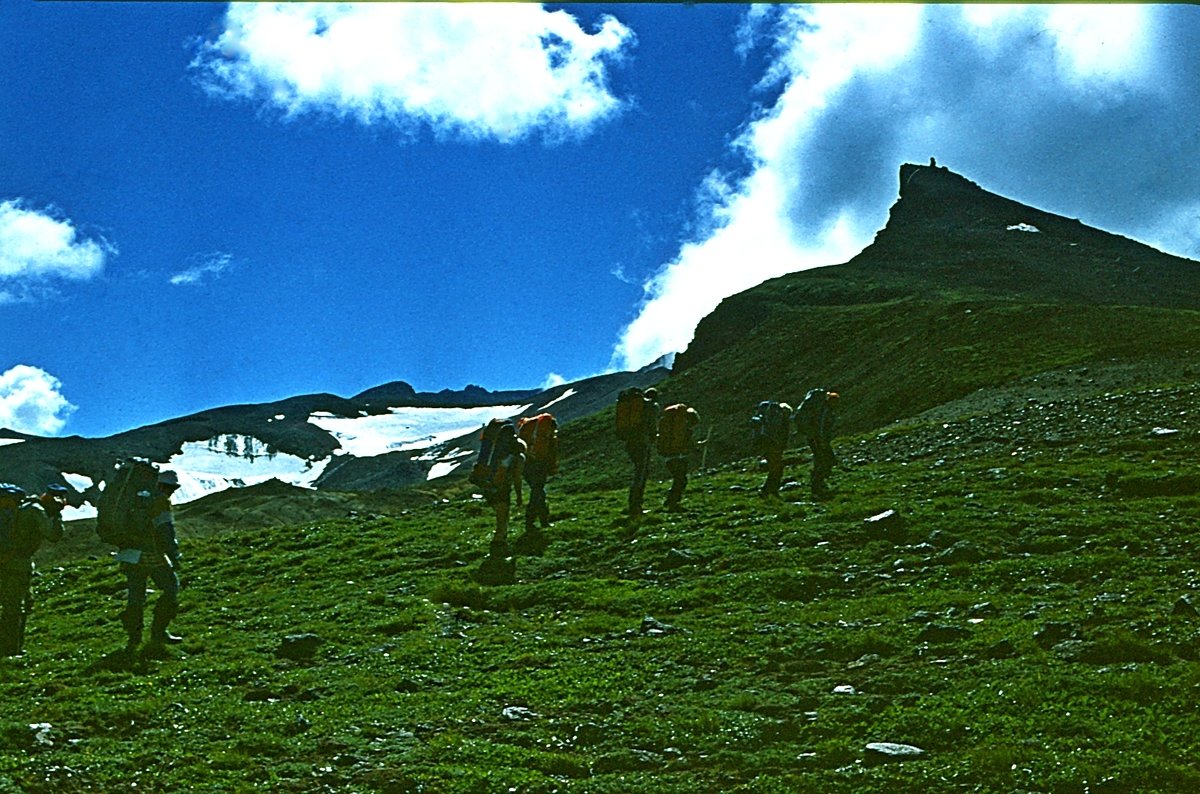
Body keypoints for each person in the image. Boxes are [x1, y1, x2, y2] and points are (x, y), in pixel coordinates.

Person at [118, 469, 183, 650]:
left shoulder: (134, 498)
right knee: (171, 588)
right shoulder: (160, 502)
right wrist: (174, 554)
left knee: (135, 596)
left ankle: (134, 637)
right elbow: (165, 531)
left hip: (129, 554)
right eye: (171, 488)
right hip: (150, 554)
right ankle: (159, 632)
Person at [0, 483, 64, 657]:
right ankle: (10, 649)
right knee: (16, 607)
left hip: (3, 561)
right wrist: (56, 514)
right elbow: (53, 535)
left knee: (10, 604)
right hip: (18, 564)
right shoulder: (34, 510)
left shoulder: (19, 510)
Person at [516, 413, 558, 555]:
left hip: (527, 464)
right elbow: (551, 451)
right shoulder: (548, 433)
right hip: (540, 463)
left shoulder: (529, 428)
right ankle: (534, 520)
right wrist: (552, 467)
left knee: (537, 490)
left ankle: (539, 520)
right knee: (538, 490)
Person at [615, 387, 660, 518]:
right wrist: (653, 436)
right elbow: (651, 425)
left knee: (639, 471)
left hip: (630, 442)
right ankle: (635, 507)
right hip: (642, 441)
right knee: (641, 474)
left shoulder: (629, 406)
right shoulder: (651, 406)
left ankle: (634, 505)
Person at [795, 389, 839, 498]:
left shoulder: (821, 409)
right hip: (818, 439)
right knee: (825, 461)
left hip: (813, 437)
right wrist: (823, 440)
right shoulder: (825, 410)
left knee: (820, 460)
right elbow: (821, 427)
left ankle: (818, 485)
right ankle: (817, 487)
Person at [657, 403, 700, 511]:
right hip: (679, 456)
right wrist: (699, 446)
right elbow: (688, 444)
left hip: (667, 454)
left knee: (678, 478)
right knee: (681, 480)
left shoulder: (669, 423)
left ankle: (670, 500)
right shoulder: (684, 428)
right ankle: (673, 503)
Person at [752, 400, 793, 497]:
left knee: (776, 467)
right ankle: (767, 490)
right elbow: (778, 433)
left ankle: (770, 490)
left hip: (764, 443)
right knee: (777, 468)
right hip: (772, 444)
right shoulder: (778, 417)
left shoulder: (768, 417)